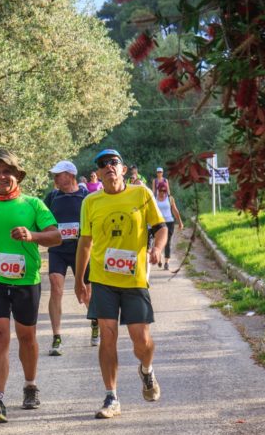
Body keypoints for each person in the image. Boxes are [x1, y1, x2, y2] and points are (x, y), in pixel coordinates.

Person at [0, 150, 60, 423]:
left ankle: (30, 384)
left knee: (27, 336)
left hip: (26, 281)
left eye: (7, 172)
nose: (2, 176)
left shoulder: (33, 205)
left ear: (18, 176)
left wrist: (33, 236)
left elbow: (56, 237)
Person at [75, 148, 168, 419]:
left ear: (123, 169)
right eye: (103, 164)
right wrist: (81, 280)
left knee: (141, 341)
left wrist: (158, 248)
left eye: (113, 162)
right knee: (107, 336)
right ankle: (111, 396)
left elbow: (160, 227)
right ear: (99, 173)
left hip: (135, 279)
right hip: (102, 280)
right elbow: (85, 242)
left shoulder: (141, 194)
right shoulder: (90, 202)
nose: (108, 167)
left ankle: (147, 370)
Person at [43, 160, 98, 354]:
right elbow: (42, 220)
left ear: (70, 175)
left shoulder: (87, 197)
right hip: (58, 249)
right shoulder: (52, 197)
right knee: (55, 287)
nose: (55, 178)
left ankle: (95, 323)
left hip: (81, 250)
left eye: (59, 174)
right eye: (55, 174)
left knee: (85, 293)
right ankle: (56, 336)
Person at [154, 180, 184, 270]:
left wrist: (180, 222)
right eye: (160, 191)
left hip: (169, 223)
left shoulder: (170, 198)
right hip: (158, 223)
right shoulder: (154, 198)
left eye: (164, 191)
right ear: (158, 190)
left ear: (166, 191)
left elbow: (175, 211)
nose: (162, 193)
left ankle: (166, 262)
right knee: (158, 242)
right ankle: (158, 258)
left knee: (167, 242)